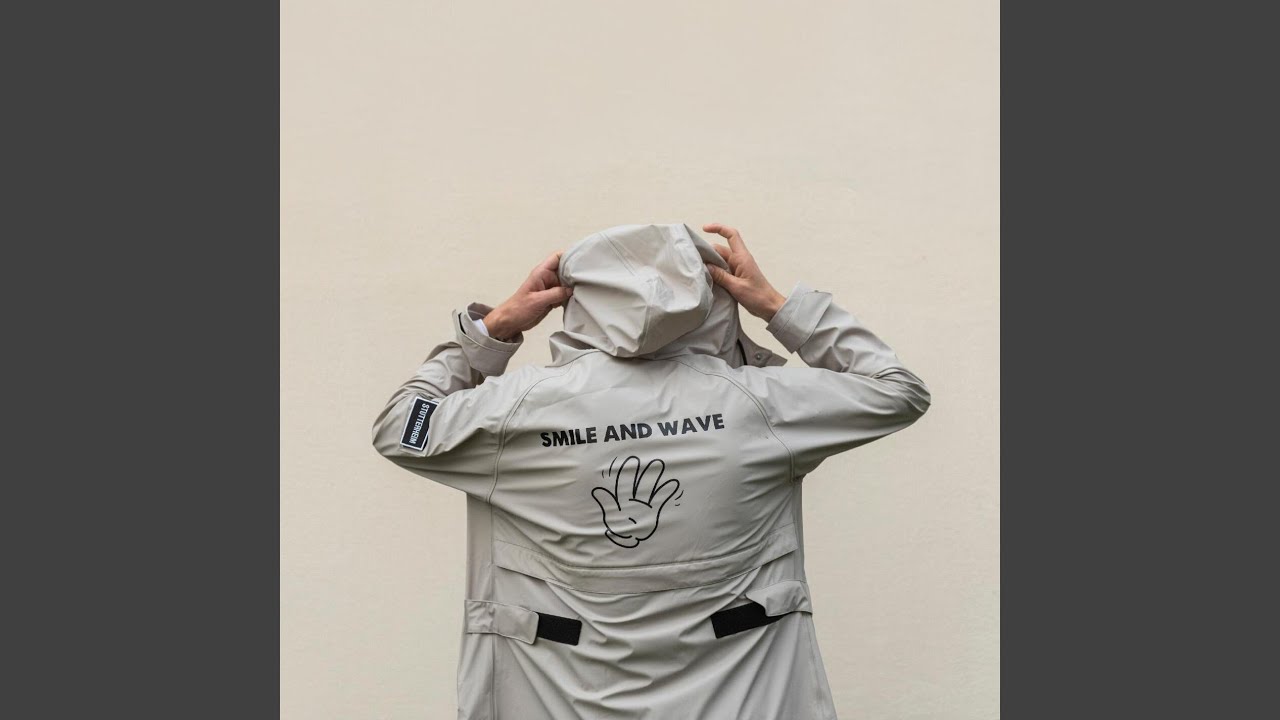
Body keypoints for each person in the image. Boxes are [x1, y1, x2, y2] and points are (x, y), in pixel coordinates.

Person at [372, 223, 930, 719]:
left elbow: (401, 426)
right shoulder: (758, 405)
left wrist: (490, 331)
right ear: (712, 298)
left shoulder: (518, 410)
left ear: (579, 300)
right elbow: (897, 391)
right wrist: (776, 307)